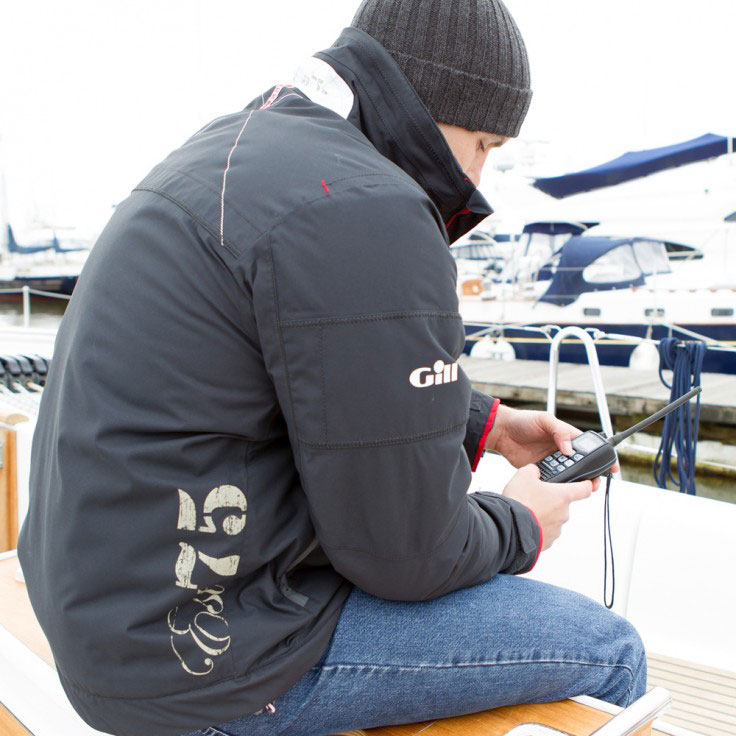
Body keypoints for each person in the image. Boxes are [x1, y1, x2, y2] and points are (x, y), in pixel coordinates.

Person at [17, 1, 646, 735]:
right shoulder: (364, 204)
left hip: (110, 629)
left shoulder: (237, 147)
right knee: (610, 651)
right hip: (208, 660)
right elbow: (409, 555)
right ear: (429, 109)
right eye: (483, 143)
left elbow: (304, 363)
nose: (480, 176)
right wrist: (523, 522)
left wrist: (487, 425)